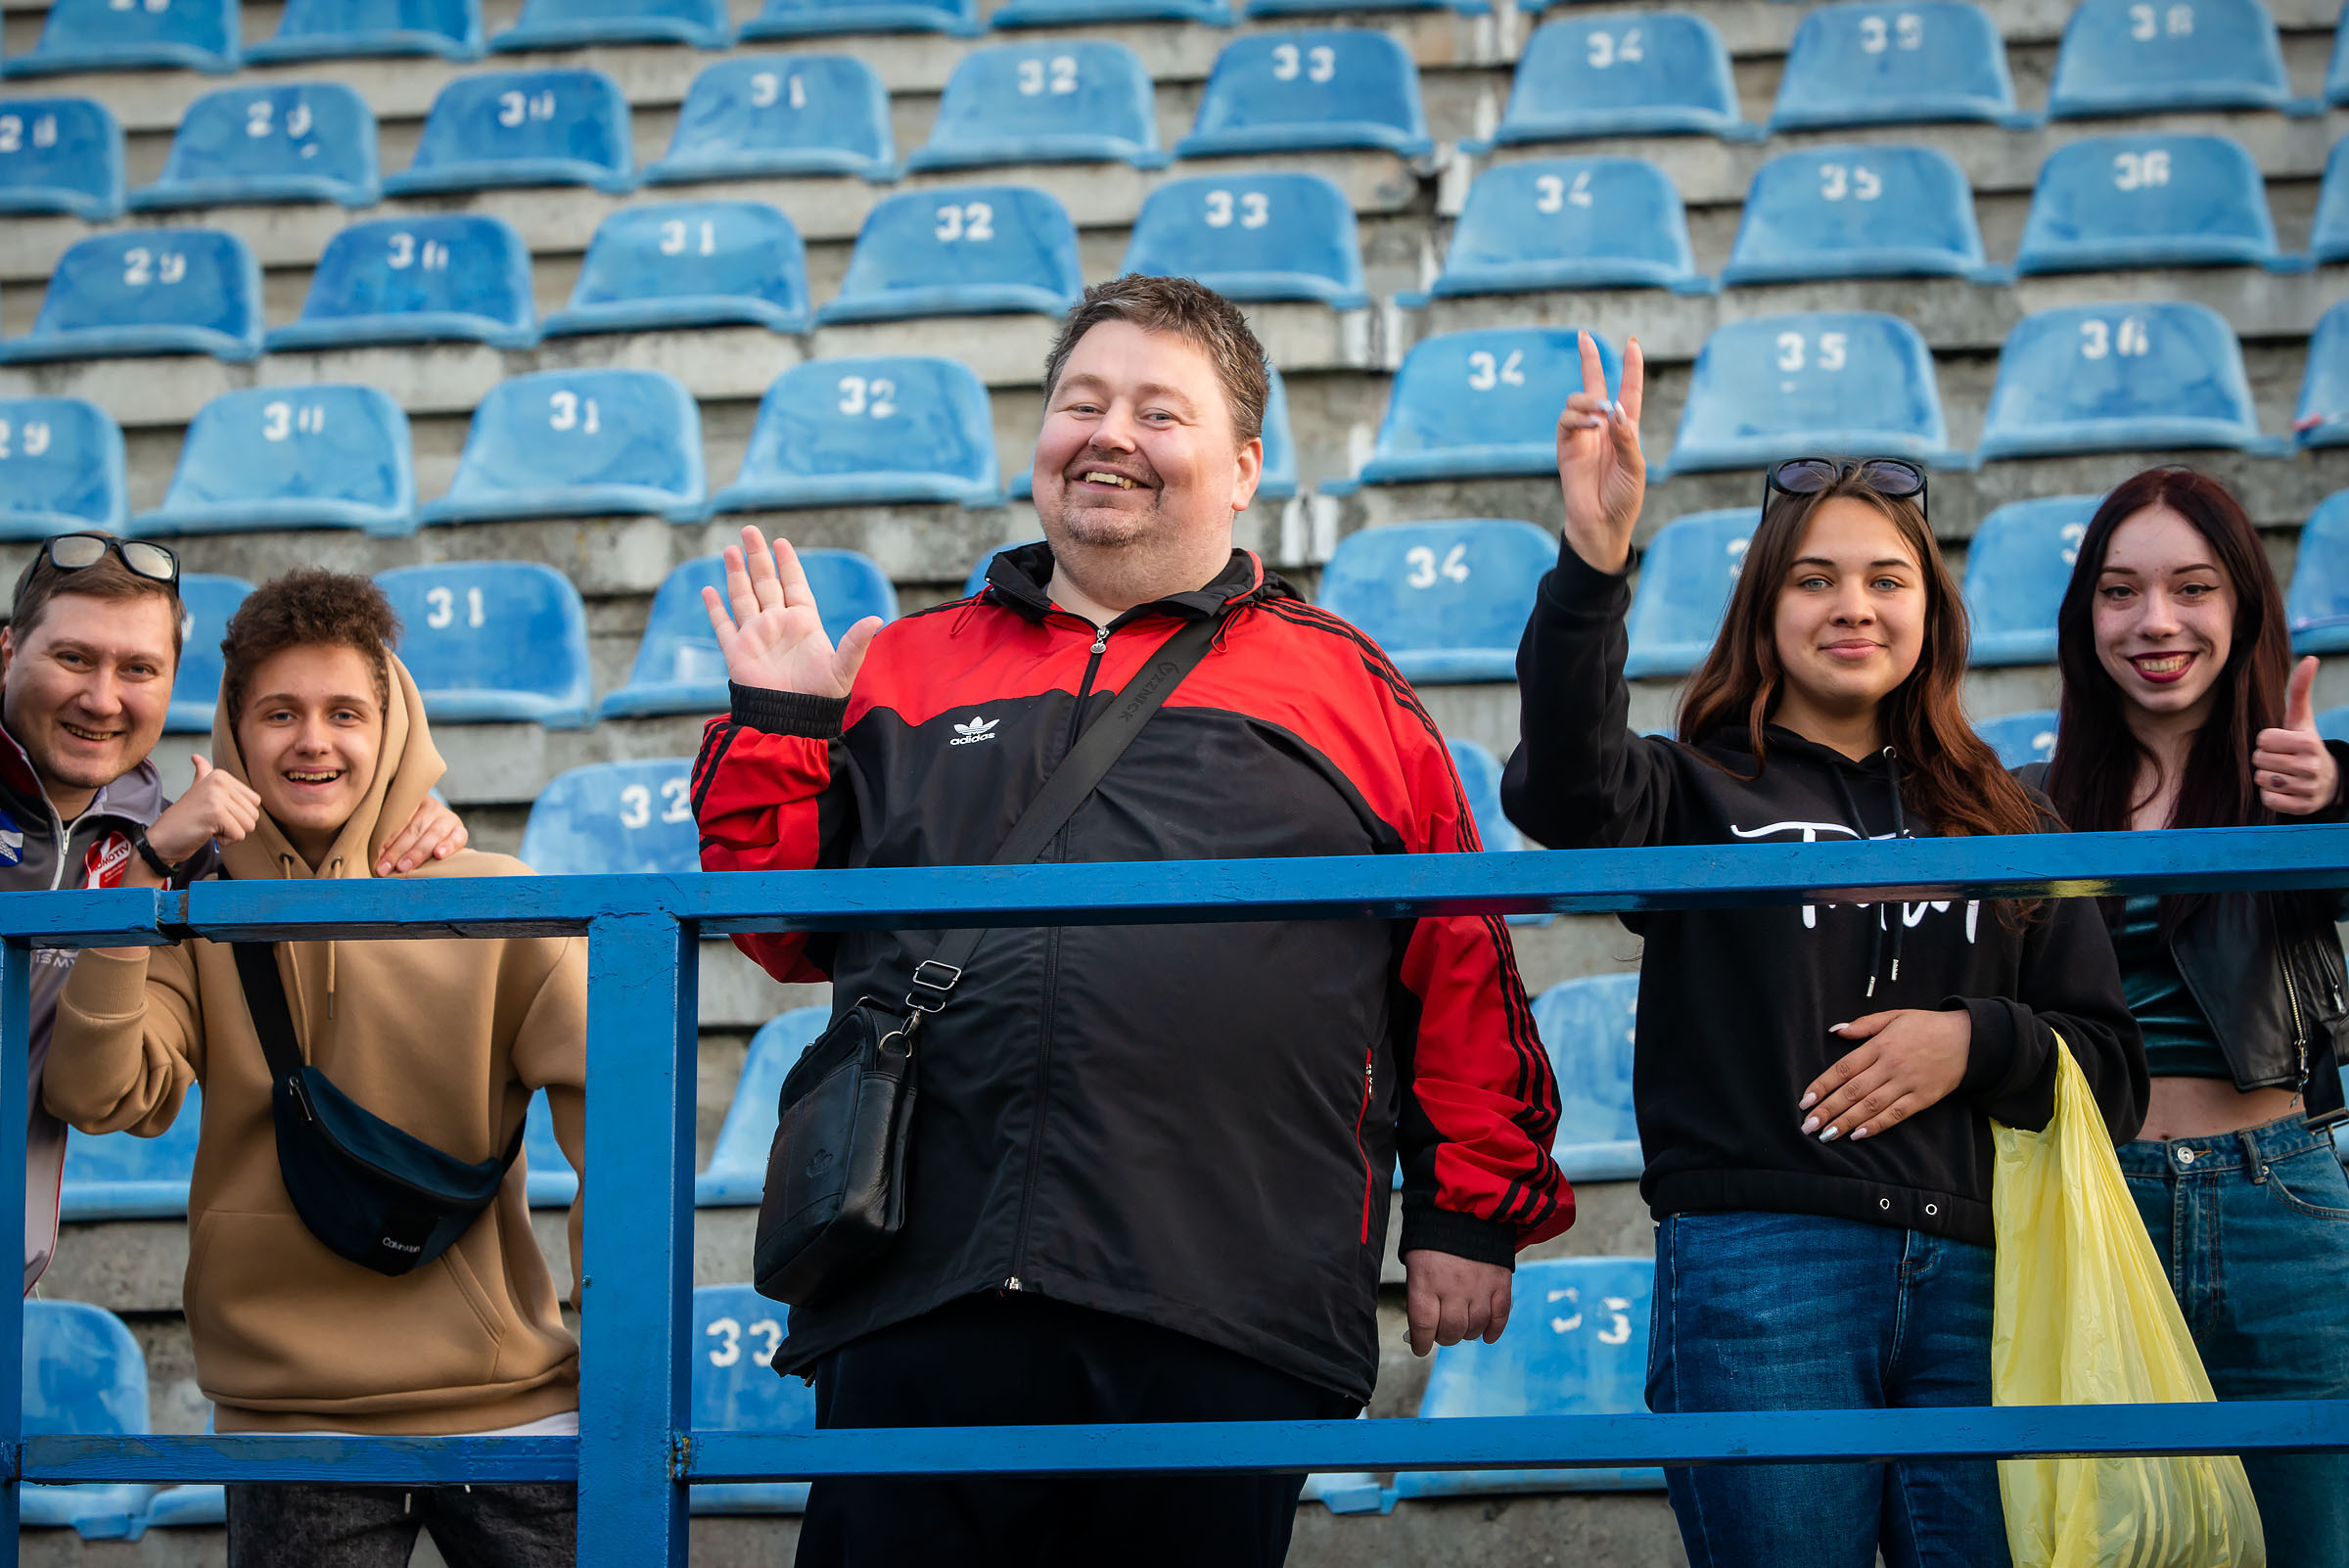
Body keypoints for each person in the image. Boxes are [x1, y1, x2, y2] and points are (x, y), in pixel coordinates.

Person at [692, 273, 1571, 1567]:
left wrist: (1468, 1211)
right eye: (1080, 401)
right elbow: (773, 926)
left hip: (1221, 1295)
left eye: (1161, 412)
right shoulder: (899, 665)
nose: (1107, 432)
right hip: (920, 1281)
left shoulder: (1348, 687)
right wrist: (783, 726)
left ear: (1243, 466)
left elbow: (1458, 957)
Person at [1500, 335, 2145, 1568]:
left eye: (1886, 580)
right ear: (1765, 608)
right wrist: (1594, 563)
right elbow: (1562, 790)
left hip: (1979, 1279)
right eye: (1814, 581)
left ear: (1932, 608)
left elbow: (2110, 1070)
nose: (1853, 605)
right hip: (1763, 1268)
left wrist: (1975, 1041)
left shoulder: (2012, 819)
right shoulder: (1691, 790)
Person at [43, 570, 585, 1568]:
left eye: (345, 713)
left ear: (396, 728)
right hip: (286, 1419)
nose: (313, 742)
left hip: (516, 1407)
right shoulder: (185, 915)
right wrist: (144, 884)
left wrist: (610, 1336)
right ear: (236, 734)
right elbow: (96, 1090)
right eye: (279, 713)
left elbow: (625, 1129)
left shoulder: (503, 901)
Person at [1, 535, 463, 1293]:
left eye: (139, 669)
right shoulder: (169, 843)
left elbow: (100, 1095)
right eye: (74, 658)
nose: (103, 697)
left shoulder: (174, 840)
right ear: (8, 653)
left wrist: (400, 809)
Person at [2035, 465, 2349, 1562]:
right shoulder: (2024, 802)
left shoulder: (2300, 780)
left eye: (2194, 588)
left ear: (2244, 608)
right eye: (2120, 591)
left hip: (2282, 1204)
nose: (2156, 621)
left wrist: (2337, 794)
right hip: (2087, 1204)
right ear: (2086, 619)